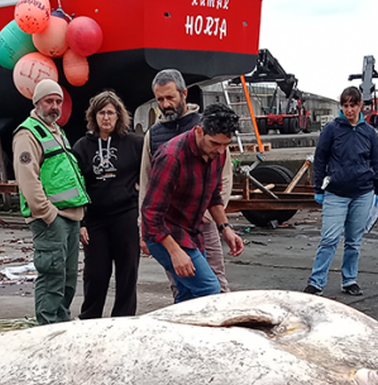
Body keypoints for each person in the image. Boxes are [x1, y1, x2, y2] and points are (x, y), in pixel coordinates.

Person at [139, 69, 234, 293]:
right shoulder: (160, 143)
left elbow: (219, 186)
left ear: (184, 94)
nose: (165, 104)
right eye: (160, 99)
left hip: (202, 220)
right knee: (203, 287)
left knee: (211, 283)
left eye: (170, 97)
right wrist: (143, 231)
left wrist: (223, 225)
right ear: (199, 134)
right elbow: (147, 191)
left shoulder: (215, 136)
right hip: (167, 226)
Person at [14, 78, 89, 325]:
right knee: (52, 275)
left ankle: (62, 323)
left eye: (58, 101)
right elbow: (28, 178)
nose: (54, 106)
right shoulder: (28, 134)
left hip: (70, 216)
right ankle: (47, 327)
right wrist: (47, 213)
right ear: (37, 103)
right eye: (49, 101)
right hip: (51, 218)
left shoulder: (57, 132)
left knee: (67, 278)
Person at [305, 86, 378, 298]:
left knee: (354, 241)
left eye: (353, 105)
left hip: (363, 193)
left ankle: (349, 279)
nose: (349, 109)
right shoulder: (331, 129)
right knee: (329, 238)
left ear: (360, 105)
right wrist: (318, 188)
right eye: (345, 105)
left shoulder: (369, 133)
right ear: (342, 107)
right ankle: (316, 281)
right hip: (336, 192)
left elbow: (376, 162)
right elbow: (320, 158)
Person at [72, 91, 143, 319]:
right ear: (94, 116)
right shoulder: (82, 146)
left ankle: (123, 318)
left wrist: (142, 191)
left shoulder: (134, 143)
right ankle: (90, 318)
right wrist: (81, 222)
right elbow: (76, 187)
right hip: (95, 219)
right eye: (101, 113)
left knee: (128, 271)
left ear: (118, 116)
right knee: (96, 272)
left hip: (126, 214)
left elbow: (151, 170)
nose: (106, 118)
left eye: (110, 113)